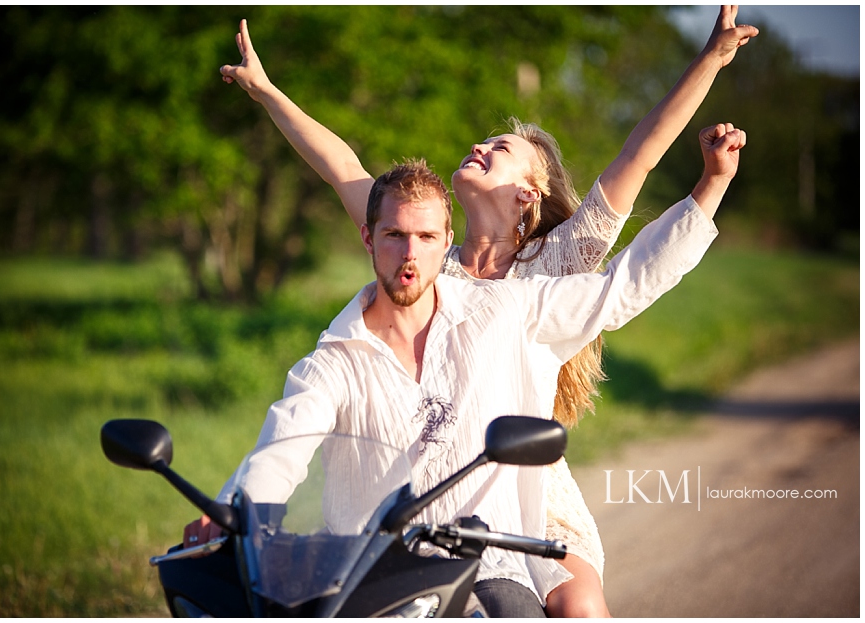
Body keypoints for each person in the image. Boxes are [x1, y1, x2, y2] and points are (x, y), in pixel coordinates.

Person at [215, 7, 757, 617]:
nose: (479, 145)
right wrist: (266, 92)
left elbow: (641, 153)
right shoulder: (422, 242)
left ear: (529, 194)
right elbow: (342, 166)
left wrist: (710, 63)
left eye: (499, 149)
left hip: (525, 477)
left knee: (578, 608)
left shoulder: (557, 262)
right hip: (427, 480)